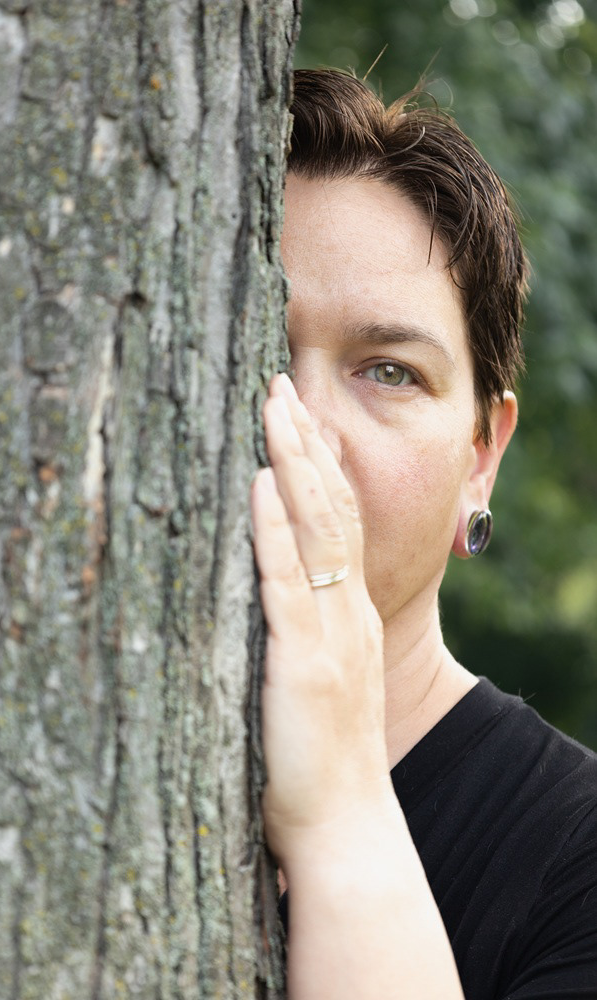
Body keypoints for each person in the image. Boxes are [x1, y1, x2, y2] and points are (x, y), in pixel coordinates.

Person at [250, 69, 597, 1000]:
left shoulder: (578, 855)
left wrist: (340, 815)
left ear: (481, 453)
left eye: (390, 371)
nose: (307, 426)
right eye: (256, 346)